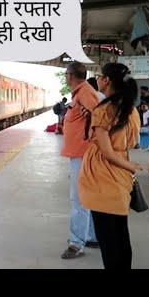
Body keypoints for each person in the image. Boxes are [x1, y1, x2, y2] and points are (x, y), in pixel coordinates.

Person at [78, 63, 142, 269]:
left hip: (101, 179)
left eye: (99, 76)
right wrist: (128, 166)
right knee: (121, 235)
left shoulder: (104, 110)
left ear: (106, 80)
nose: (97, 79)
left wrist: (132, 166)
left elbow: (107, 153)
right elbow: (132, 143)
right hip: (121, 180)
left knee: (108, 241)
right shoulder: (131, 110)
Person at [60, 62, 99, 259]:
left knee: (79, 199)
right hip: (80, 152)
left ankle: (76, 243)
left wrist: (92, 116)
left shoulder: (84, 93)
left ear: (70, 76)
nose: (66, 77)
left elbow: (101, 115)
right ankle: (91, 236)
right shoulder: (81, 93)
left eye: (66, 74)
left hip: (83, 153)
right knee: (85, 197)